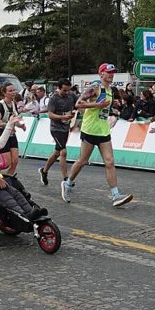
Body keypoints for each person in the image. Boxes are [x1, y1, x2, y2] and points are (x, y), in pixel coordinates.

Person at [61, 63, 132, 208]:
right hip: (90, 129)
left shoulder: (111, 90)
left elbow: (105, 109)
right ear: (101, 74)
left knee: (110, 161)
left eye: (113, 72)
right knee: (82, 161)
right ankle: (67, 183)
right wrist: (96, 106)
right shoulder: (95, 87)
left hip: (103, 130)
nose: (111, 75)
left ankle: (115, 195)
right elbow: (78, 104)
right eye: (109, 72)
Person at [39, 79, 76, 186]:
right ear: (58, 88)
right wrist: (63, 117)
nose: (67, 93)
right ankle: (66, 179)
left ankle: (44, 171)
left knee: (56, 153)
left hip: (66, 128)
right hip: (56, 129)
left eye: (68, 90)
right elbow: (50, 115)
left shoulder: (71, 95)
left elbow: (79, 103)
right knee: (63, 152)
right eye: (64, 90)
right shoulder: (53, 99)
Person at [0, 82, 26, 175]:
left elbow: (14, 120)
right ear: (4, 93)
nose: (13, 92)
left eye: (14, 90)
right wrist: (7, 125)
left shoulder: (14, 104)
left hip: (12, 135)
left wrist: (21, 125)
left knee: (15, 161)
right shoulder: (0, 106)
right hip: (2, 134)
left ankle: (8, 180)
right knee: (6, 163)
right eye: (10, 91)